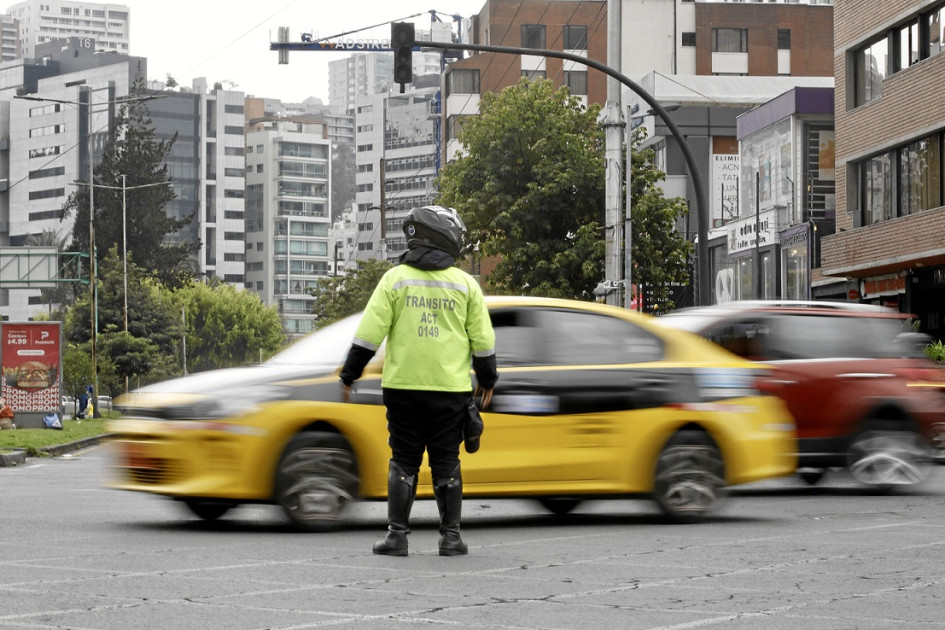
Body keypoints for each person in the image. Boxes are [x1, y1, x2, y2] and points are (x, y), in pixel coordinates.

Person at [340, 205, 498, 557]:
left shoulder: (395, 280)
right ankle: (451, 538)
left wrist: (350, 374)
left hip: (403, 389)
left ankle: (397, 536)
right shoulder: (465, 285)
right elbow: (483, 342)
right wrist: (488, 380)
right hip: (450, 391)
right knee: (446, 461)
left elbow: (369, 334)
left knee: (404, 459)